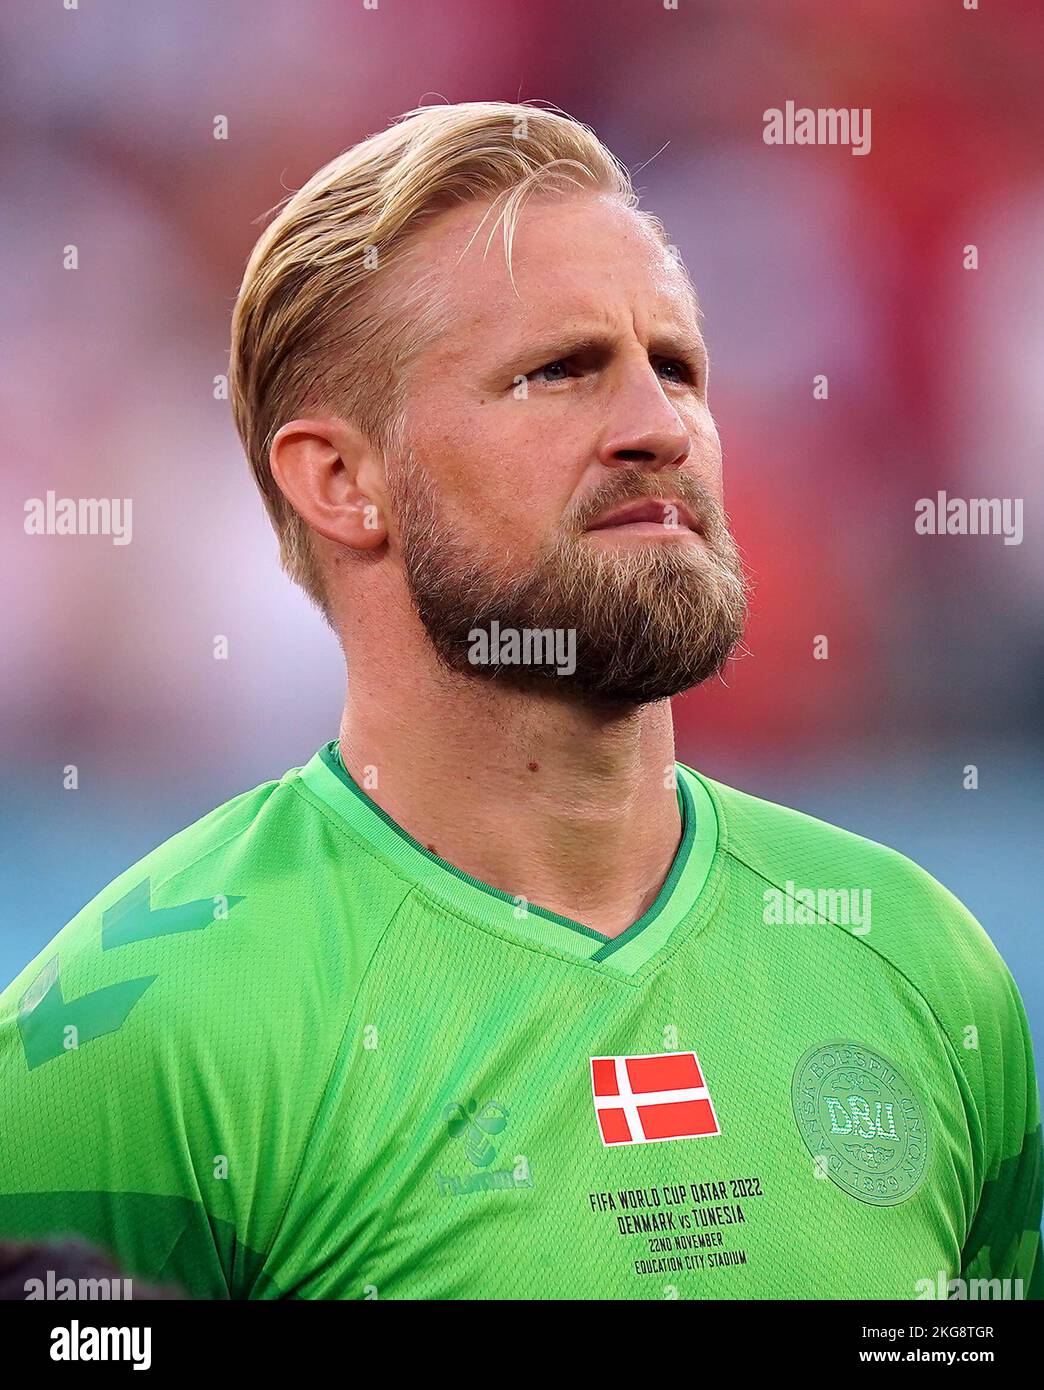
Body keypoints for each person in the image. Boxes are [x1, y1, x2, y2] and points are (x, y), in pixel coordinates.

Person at [0, 102, 1039, 1300]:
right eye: (558, 373)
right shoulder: (121, 1040)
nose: (660, 427)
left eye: (680, 368)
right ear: (342, 480)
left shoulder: (918, 960)